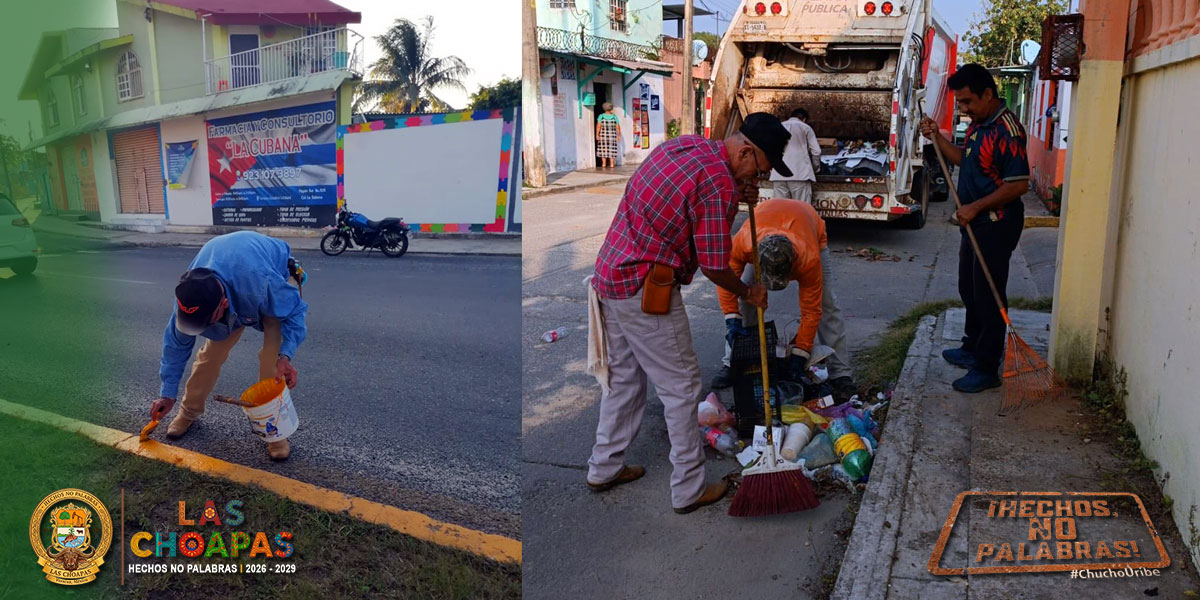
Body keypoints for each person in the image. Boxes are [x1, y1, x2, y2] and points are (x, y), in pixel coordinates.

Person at [587, 113, 792, 514]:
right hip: (647, 288)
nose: (760, 179)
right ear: (745, 152)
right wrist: (748, 290)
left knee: (623, 381)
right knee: (681, 388)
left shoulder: (689, 146)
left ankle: (603, 467)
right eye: (760, 171)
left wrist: (738, 192)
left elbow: (689, 202)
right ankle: (688, 488)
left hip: (610, 275)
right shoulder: (719, 185)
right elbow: (714, 264)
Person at [149, 231, 309, 460]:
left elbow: (296, 311)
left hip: (266, 278)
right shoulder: (189, 296)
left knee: (271, 362)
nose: (201, 329)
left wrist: (285, 356)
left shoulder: (263, 284)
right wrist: (167, 393)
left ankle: (275, 432)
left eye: (206, 323)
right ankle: (188, 411)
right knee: (210, 355)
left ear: (223, 305)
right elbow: (175, 346)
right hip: (234, 280)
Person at [919, 63, 1029, 393]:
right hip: (974, 222)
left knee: (988, 295)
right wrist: (937, 137)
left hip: (996, 224)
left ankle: (986, 367)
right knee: (969, 289)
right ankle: (971, 347)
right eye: (960, 103)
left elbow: (1018, 185)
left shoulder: (1007, 131)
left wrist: (975, 207)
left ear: (988, 94)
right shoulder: (979, 125)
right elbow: (964, 160)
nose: (964, 109)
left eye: (968, 101)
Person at [711, 198, 857, 397]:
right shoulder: (744, 242)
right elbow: (726, 282)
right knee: (745, 297)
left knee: (826, 303)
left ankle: (841, 373)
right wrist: (732, 320)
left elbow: (811, 311)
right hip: (763, 227)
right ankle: (734, 362)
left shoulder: (808, 259)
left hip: (808, 226)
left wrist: (800, 353)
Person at [770, 108, 822, 203]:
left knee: (780, 207)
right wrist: (815, 168)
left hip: (778, 176)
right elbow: (816, 151)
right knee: (801, 207)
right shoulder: (806, 127)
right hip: (800, 175)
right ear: (804, 119)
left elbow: (770, 149)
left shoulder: (778, 127)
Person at [595, 102, 621, 169]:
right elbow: (617, 127)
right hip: (612, 136)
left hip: (603, 136)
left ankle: (604, 164)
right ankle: (612, 164)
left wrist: (597, 134)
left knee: (603, 150)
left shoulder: (601, 116)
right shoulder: (614, 117)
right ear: (611, 108)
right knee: (612, 149)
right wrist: (619, 135)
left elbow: (598, 126)